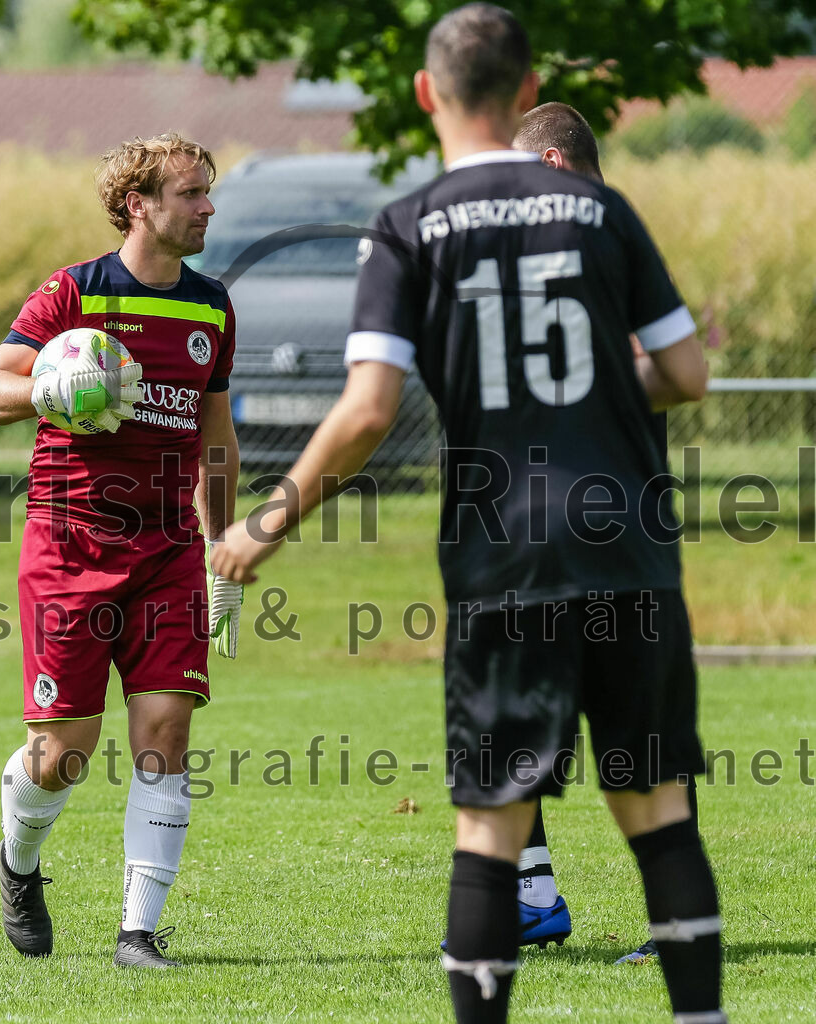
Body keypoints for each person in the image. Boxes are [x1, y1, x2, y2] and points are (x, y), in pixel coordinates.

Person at [211, 5, 723, 1023]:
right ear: (529, 91)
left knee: (490, 823)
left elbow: (365, 412)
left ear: (423, 95)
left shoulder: (407, 226)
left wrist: (263, 524)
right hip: (627, 539)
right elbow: (685, 373)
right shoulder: (602, 211)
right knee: (657, 810)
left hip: (507, 554)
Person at [0, 133, 242, 969]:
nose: (207, 207)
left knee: (166, 728)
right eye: (191, 193)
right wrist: (49, 388)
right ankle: (19, 863)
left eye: (207, 191)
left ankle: (138, 934)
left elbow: (215, 438)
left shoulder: (211, 305)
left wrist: (223, 547)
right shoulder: (74, 293)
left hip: (167, 548)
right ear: (138, 206)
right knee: (63, 753)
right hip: (70, 539)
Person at [509, 100, 702, 965]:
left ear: (548, 167)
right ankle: (531, 898)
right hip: (529, 524)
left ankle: (670, 929)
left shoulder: (611, 241)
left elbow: (676, 373)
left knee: (640, 735)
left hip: (612, 524)